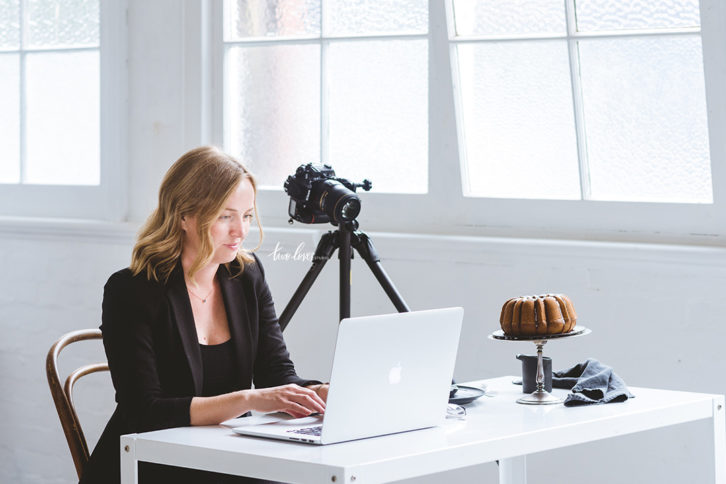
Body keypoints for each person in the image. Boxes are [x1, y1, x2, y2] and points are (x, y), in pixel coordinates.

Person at [81, 146, 328, 484]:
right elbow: (143, 412)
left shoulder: (247, 277)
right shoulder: (131, 290)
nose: (240, 232)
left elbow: (276, 375)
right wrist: (249, 399)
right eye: (226, 216)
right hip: (146, 465)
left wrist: (320, 392)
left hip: (217, 459)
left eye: (246, 216)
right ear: (184, 216)